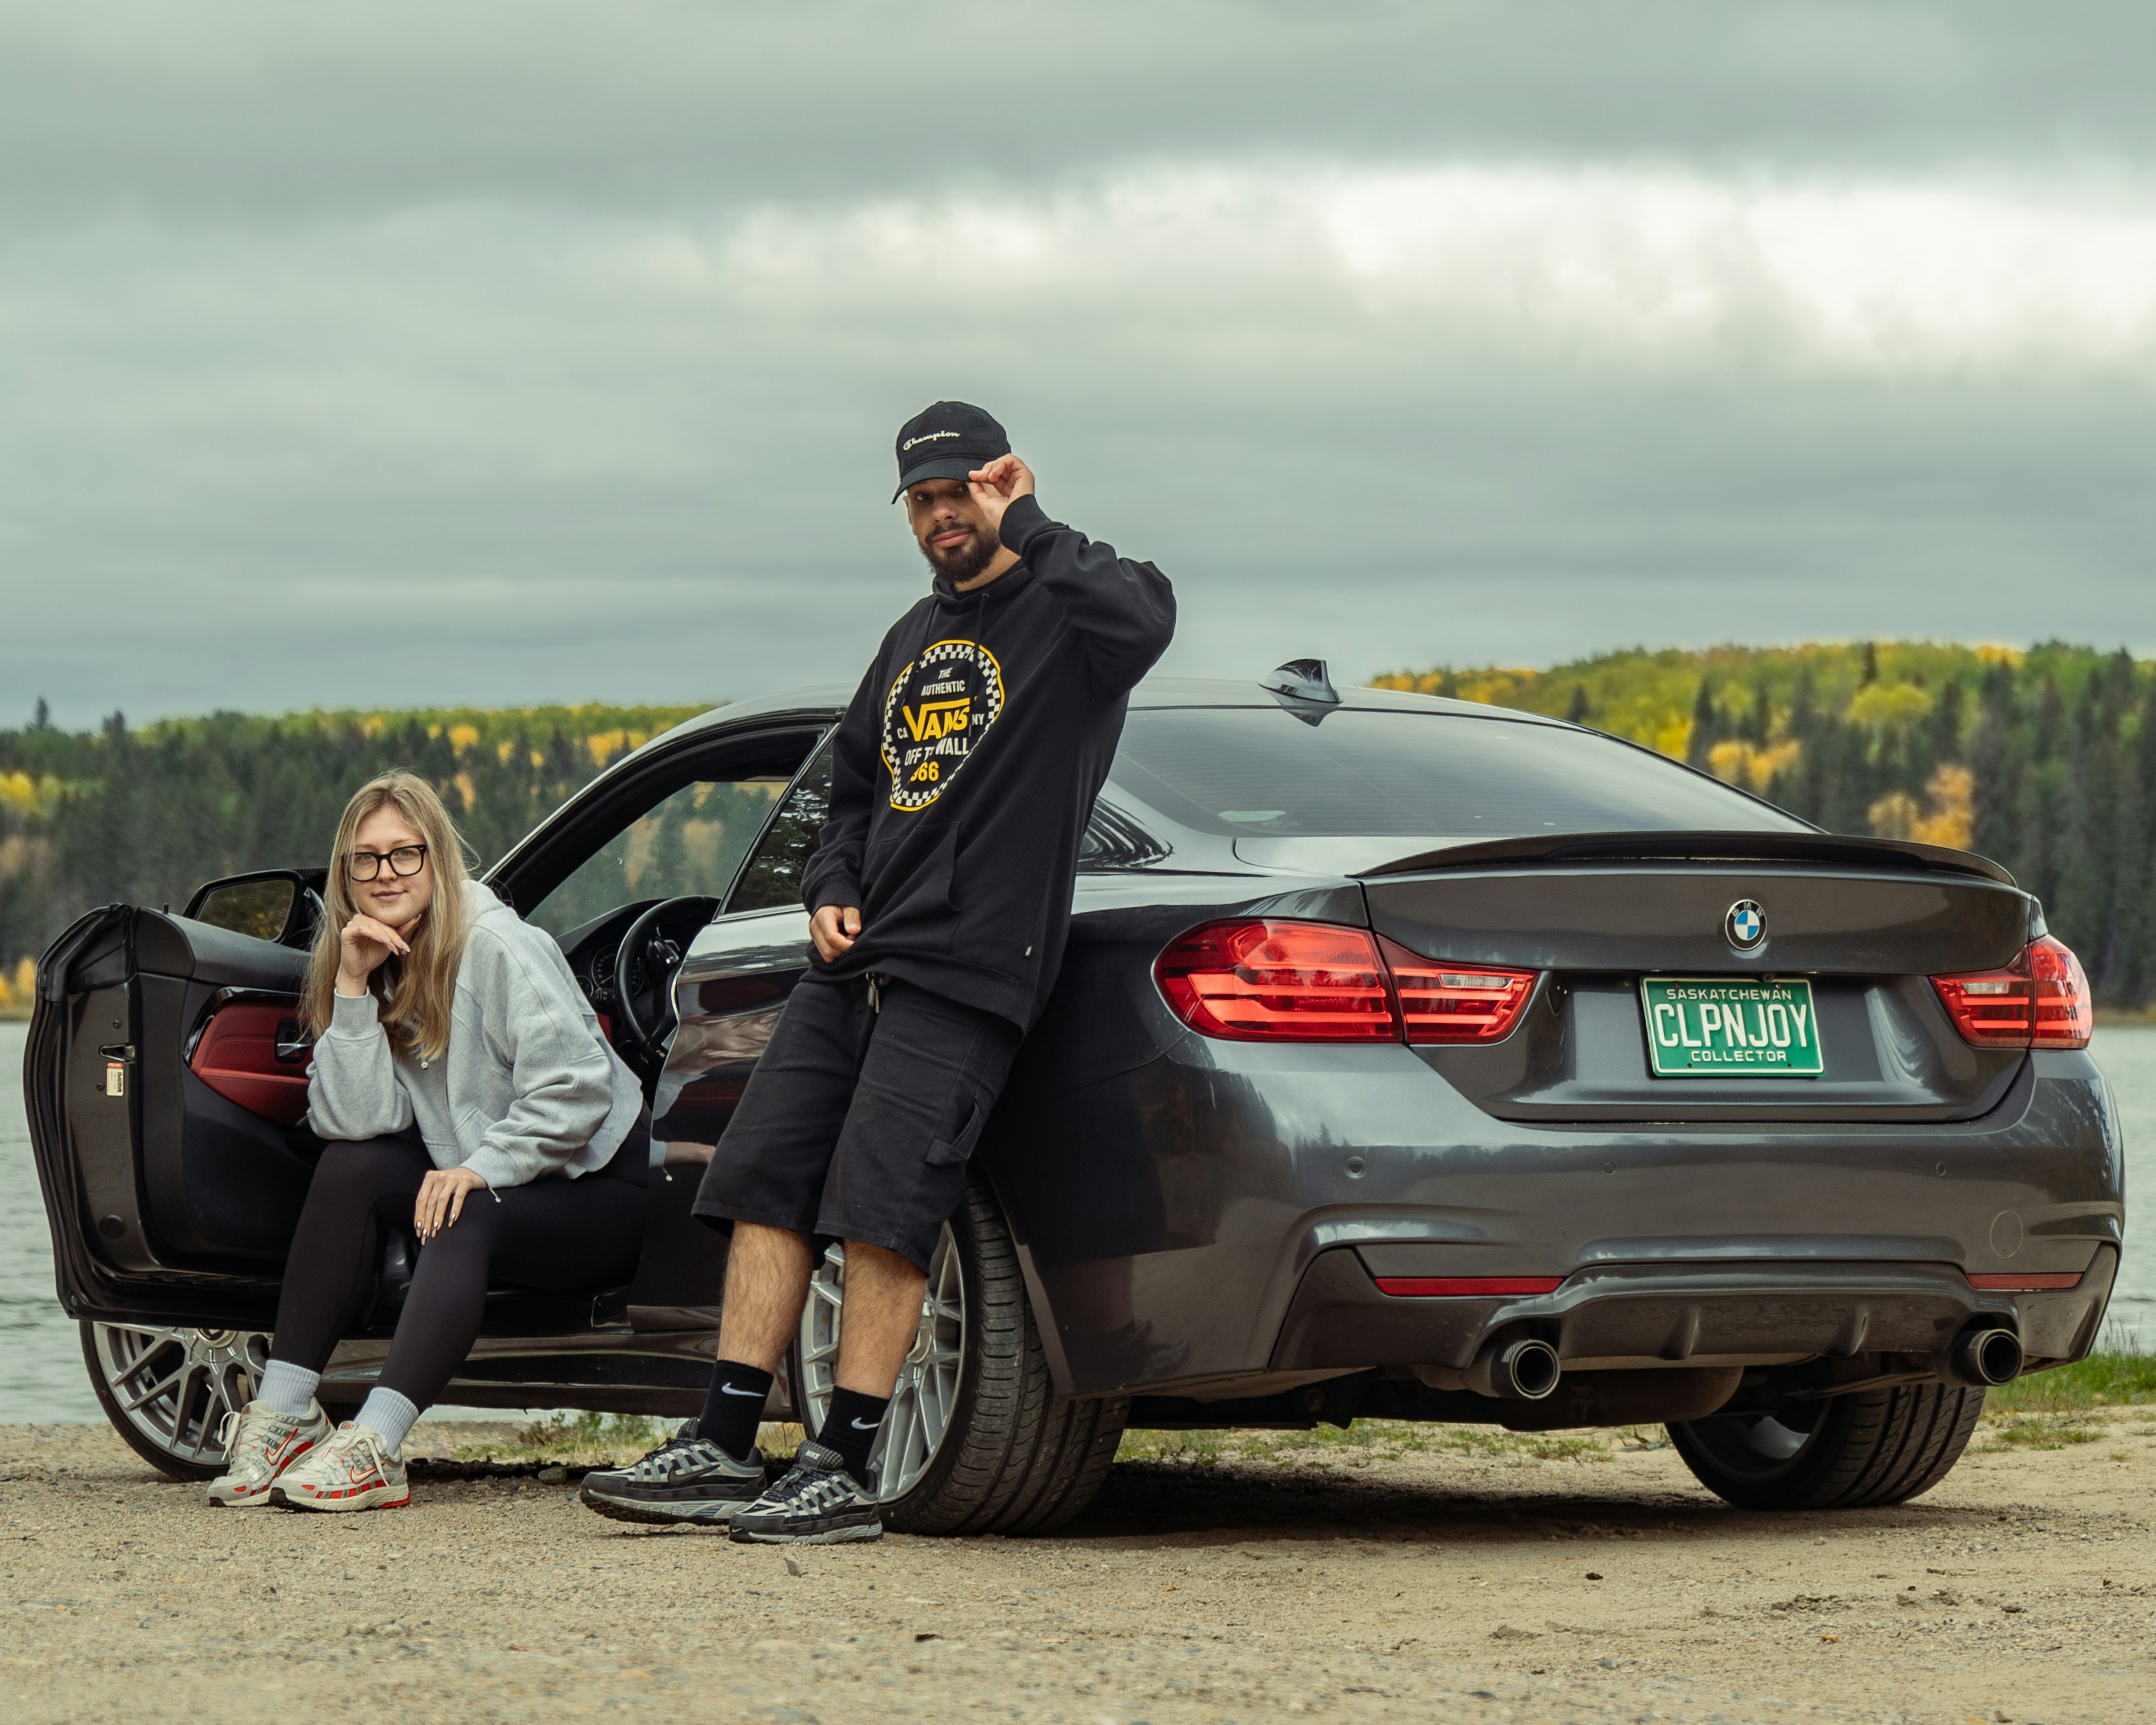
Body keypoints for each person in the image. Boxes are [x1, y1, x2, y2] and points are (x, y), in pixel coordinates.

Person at [580, 401, 1175, 1543]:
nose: (942, 515)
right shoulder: (908, 637)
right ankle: (720, 1438)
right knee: (763, 1181)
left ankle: (843, 1462)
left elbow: (1146, 615)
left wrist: (1034, 519)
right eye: (923, 499)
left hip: (963, 972)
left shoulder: (1069, 621)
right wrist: (828, 887)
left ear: (998, 482)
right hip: (852, 962)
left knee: (882, 1212)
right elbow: (848, 786)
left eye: (960, 491)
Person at [206, 771, 648, 1511]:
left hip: (599, 1189)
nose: (385, 874)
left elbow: (577, 1087)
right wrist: (350, 985)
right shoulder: (371, 956)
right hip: (501, 1175)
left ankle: (376, 1443)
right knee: (351, 1168)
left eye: (404, 854)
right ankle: (285, 1412)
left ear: (437, 858)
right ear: (345, 872)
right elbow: (352, 1121)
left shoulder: (497, 944)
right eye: (365, 858)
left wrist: (477, 1168)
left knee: (458, 1208)